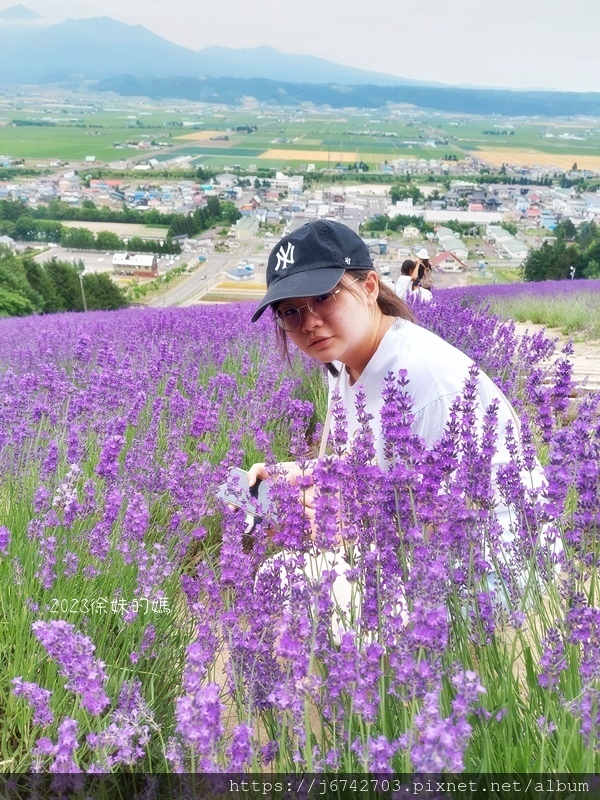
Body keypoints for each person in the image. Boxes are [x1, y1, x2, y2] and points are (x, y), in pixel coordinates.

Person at [247, 220, 548, 625]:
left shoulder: (419, 375)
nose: (309, 322)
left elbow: (452, 515)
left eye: (323, 296)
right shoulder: (345, 364)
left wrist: (343, 524)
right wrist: (294, 476)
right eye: (289, 312)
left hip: (491, 573)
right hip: (425, 551)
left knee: (298, 587)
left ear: (369, 287)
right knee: (282, 578)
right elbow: (369, 467)